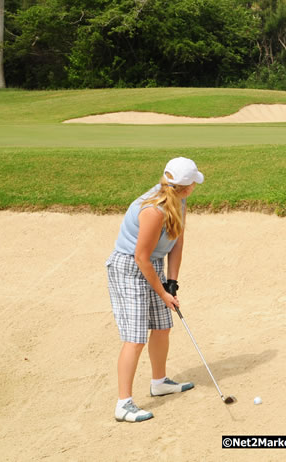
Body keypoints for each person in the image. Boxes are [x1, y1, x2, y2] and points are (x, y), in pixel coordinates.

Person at [106, 157, 204, 423]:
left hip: (152, 265)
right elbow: (140, 257)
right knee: (136, 337)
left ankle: (159, 382)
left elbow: (177, 243)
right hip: (129, 268)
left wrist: (172, 282)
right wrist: (162, 293)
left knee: (162, 326)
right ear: (185, 186)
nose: (195, 186)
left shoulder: (179, 201)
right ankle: (123, 403)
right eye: (193, 182)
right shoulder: (153, 210)